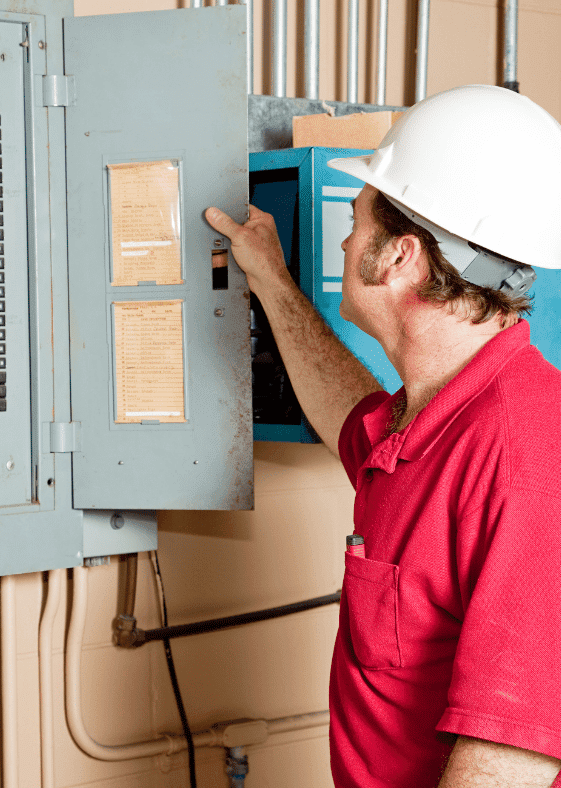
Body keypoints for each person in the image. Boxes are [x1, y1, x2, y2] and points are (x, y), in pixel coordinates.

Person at [207, 85, 561, 787]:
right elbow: (349, 410)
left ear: (399, 257)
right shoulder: (422, 422)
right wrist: (272, 281)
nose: (342, 240)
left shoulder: (526, 453)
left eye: (354, 219)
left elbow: (509, 759)